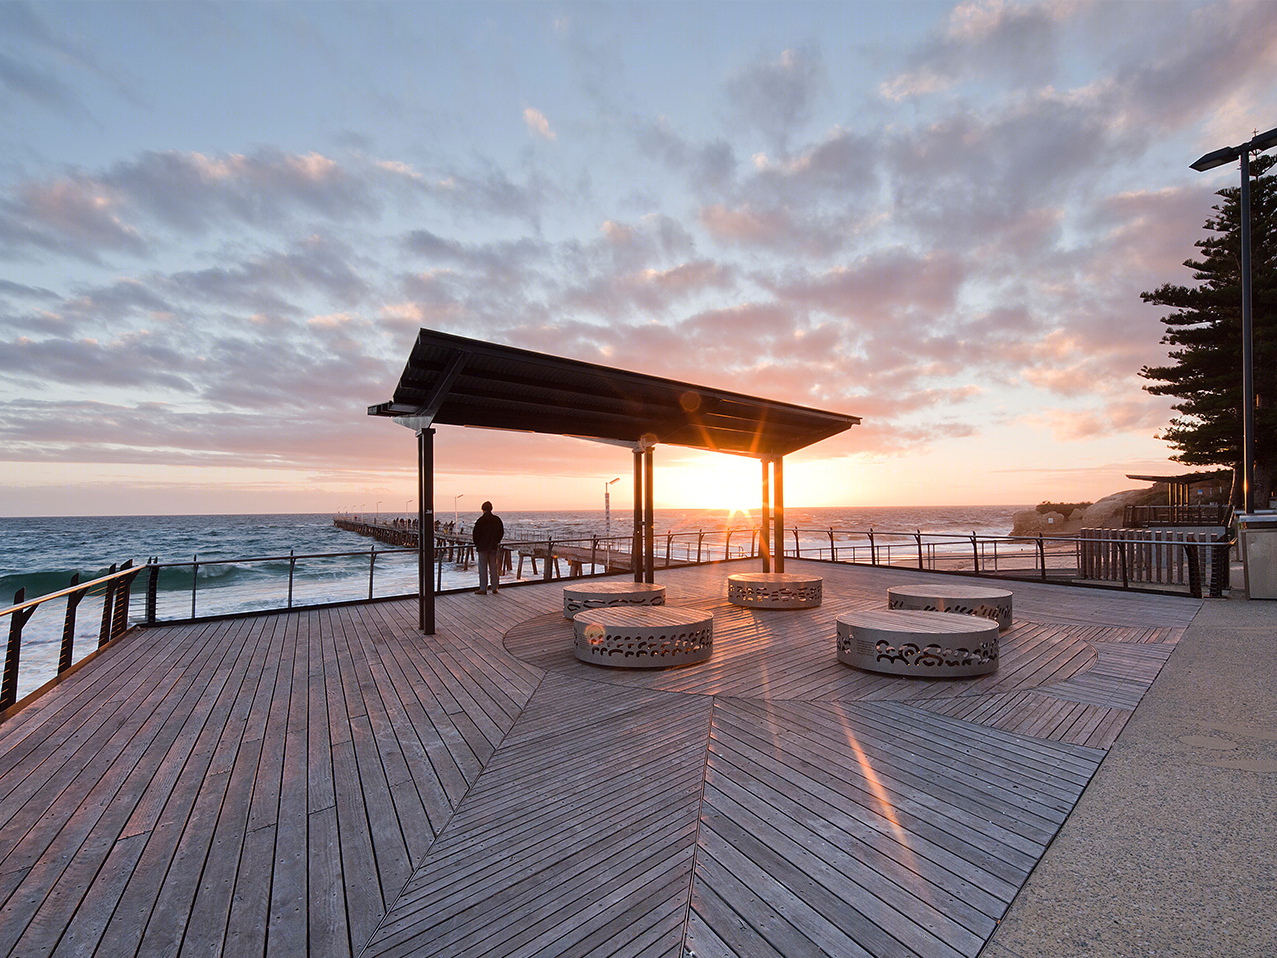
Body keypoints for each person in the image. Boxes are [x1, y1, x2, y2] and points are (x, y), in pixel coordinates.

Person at [471, 500, 505, 595]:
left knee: (483, 569)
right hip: (493, 546)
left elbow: (475, 534)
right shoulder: (497, 520)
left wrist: (477, 544)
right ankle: (495, 587)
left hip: (482, 547)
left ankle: (483, 588)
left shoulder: (480, 521)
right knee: (494, 568)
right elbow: (501, 532)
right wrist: (496, 541)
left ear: (483, 509)